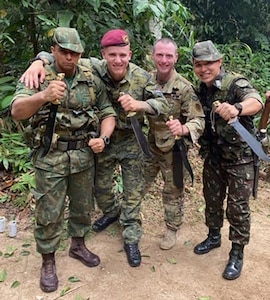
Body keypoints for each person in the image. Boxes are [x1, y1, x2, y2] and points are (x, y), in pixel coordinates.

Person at [20, 29, 170, 267]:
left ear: (129, 54)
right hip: (100, 143)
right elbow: (63, 55)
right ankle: (110, 213)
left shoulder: (142, 77)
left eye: (122, 54)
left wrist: (139, 104)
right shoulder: (93, 68)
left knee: (132, 194)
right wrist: (38, 62)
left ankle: (131, 238)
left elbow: (162, 104)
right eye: (112, 55)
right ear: (104, 55)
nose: (118, 60)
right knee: (99, 190)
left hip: (130, 141)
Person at [11, 27, 116, 292]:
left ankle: (78, 245)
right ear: (54, 51)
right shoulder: (38, 75)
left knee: (83, 207)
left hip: (83, 155)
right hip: (51, 156)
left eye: (74, 53)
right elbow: (17, 111)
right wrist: (43, 95)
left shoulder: (92, 76)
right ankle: (48, 260)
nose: (69, 58)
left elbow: (107, 111)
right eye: (64, 52)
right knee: (49, 213)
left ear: (81, 53)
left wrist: (103, 139)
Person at [191, 40, 263, 280]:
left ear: (219, 62)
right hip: (214, 157)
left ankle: (237, 252)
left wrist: (238, 108)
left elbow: (257, 101)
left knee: (238, 207)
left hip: (240, 159)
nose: (204, 69)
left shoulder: (235, 83)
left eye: (208, 63)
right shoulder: (200, 88)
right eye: (199, 64)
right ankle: (214, 236)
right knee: (212, 199)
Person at [143, 38, 205, 250]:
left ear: (176, 57)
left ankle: (171, 228)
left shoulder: (184, 87)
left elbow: (199, 119)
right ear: (153, 56)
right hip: (150, 144)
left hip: (175, 149)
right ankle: (128, 220)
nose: (164, 60)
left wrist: (184, 128)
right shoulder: (145, 80)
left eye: (169, 56)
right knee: (137, 184)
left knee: (174, 190)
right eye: (160, 55)